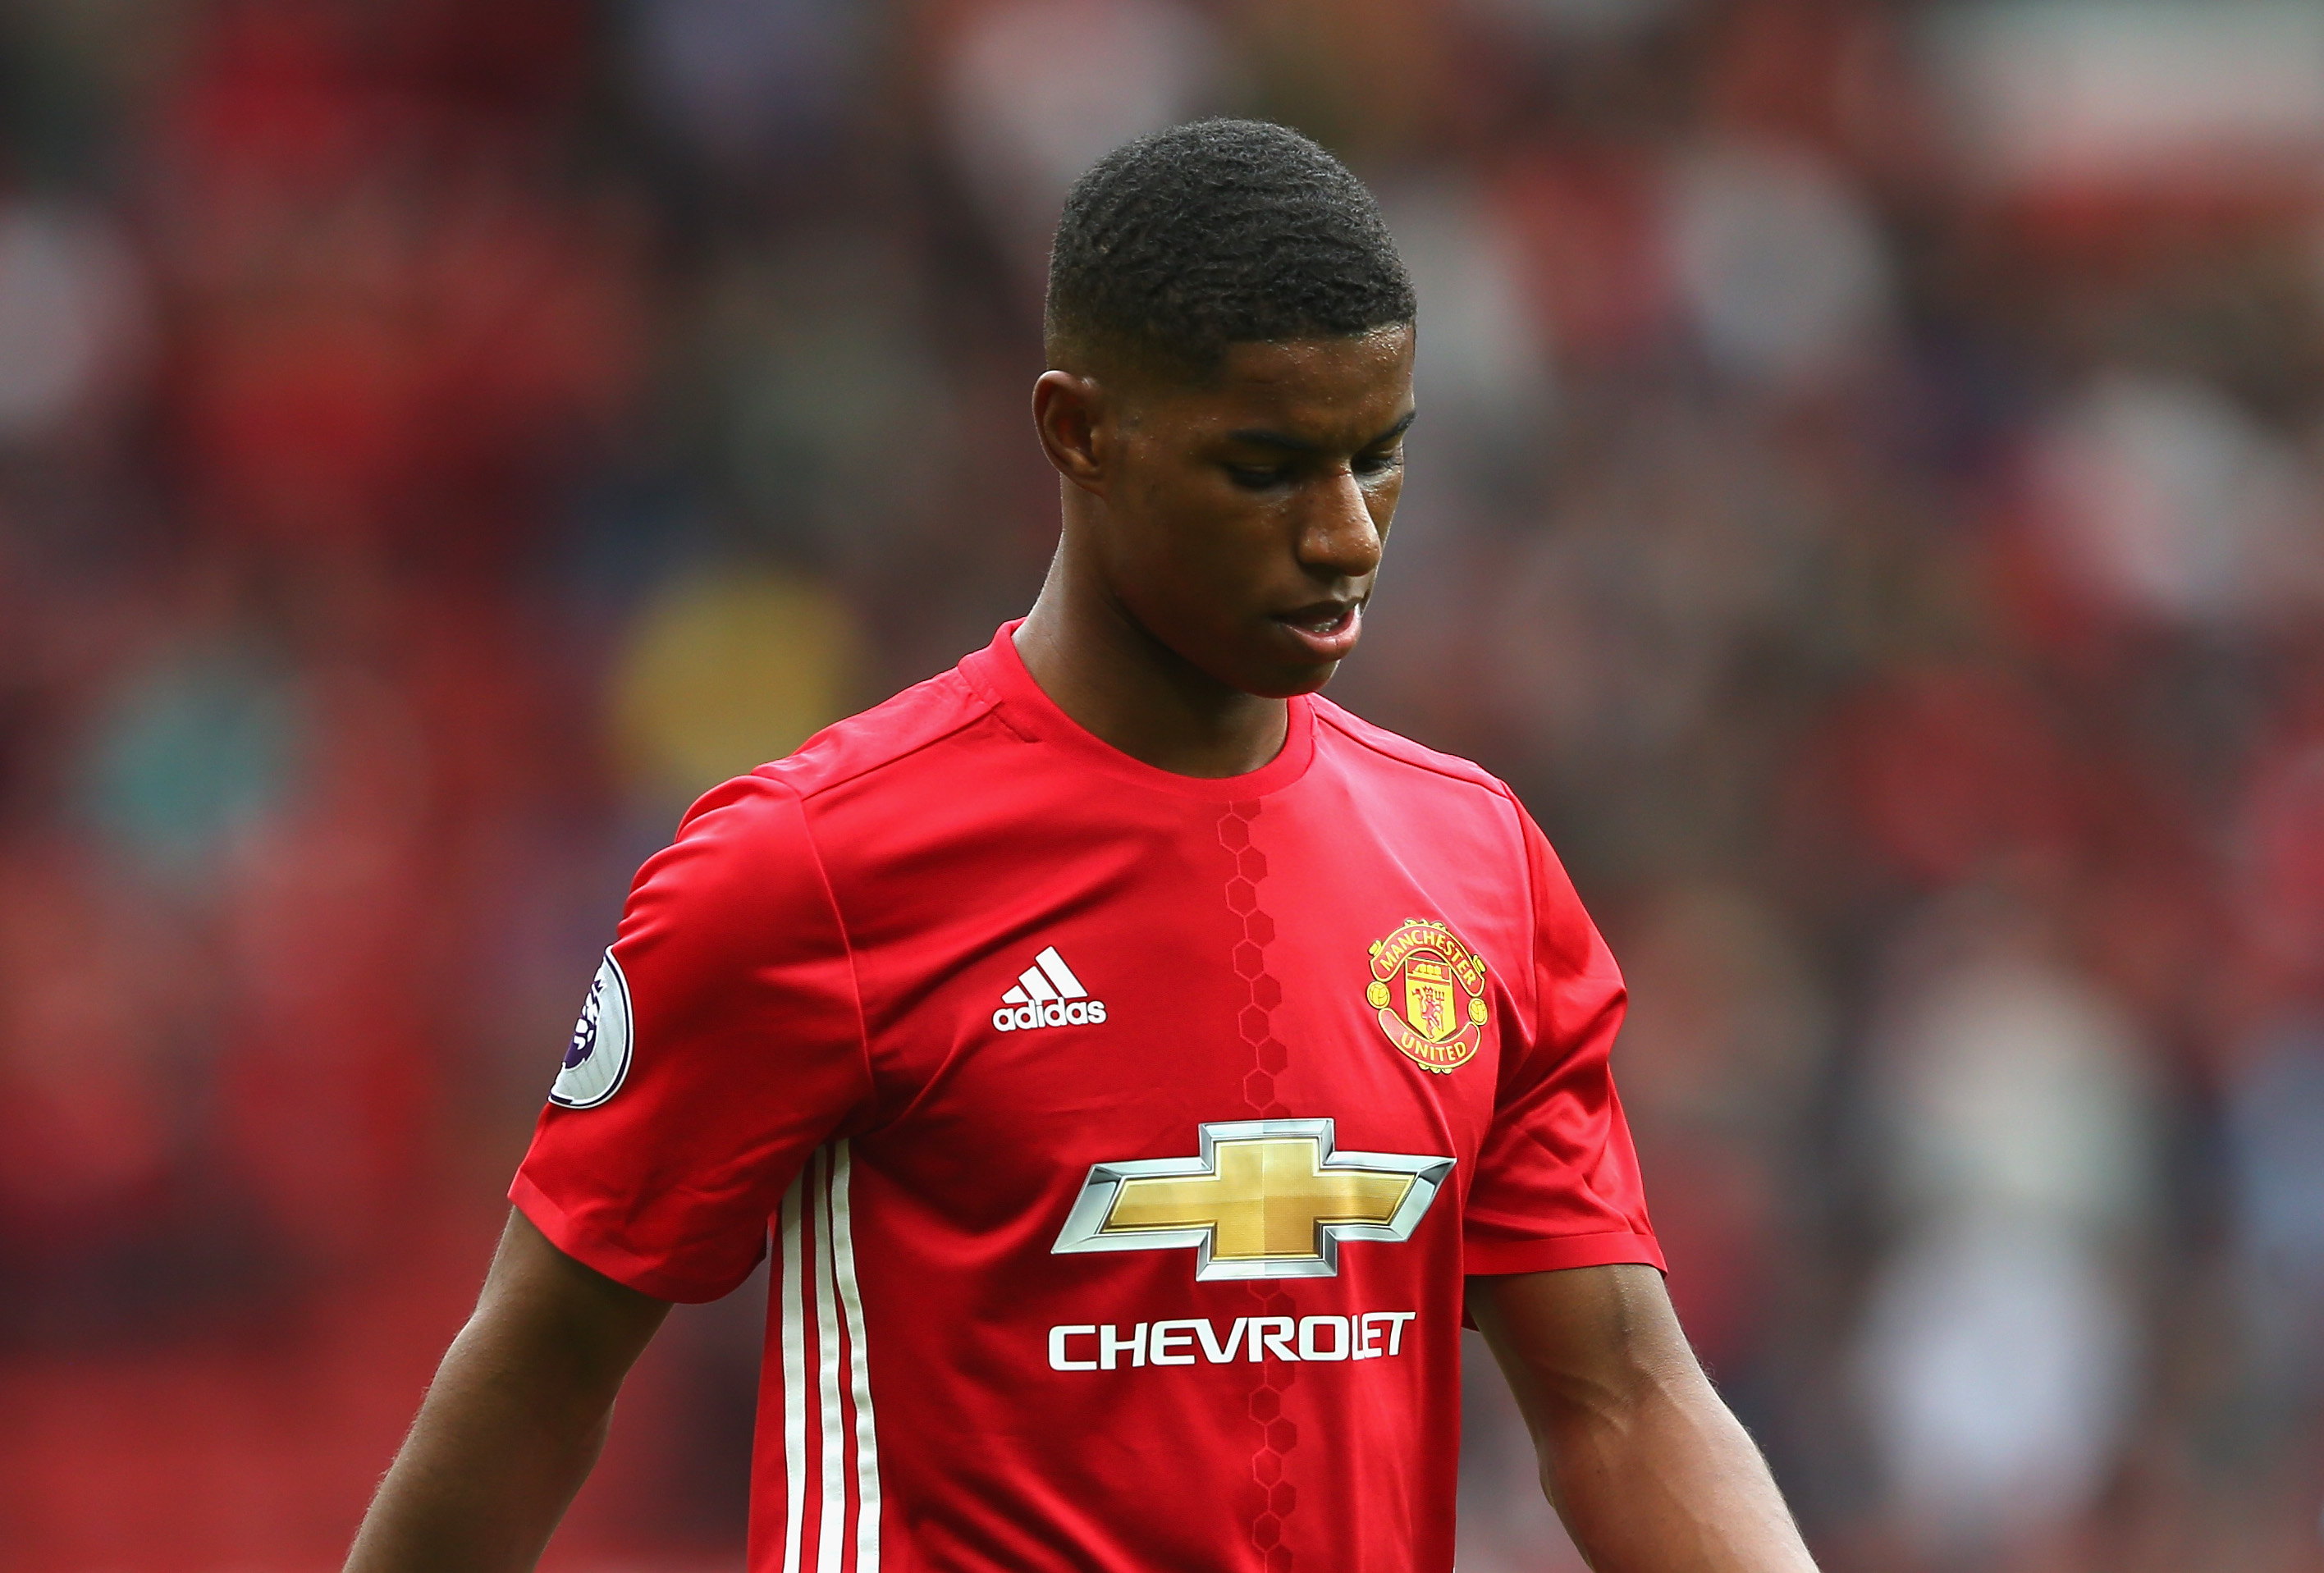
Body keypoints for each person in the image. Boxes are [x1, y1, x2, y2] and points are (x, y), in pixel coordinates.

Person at [344, 118, 1817, 1573]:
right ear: (1079, 430)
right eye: (1267, 467)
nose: (1348, 534)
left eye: (1379, 457)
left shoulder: (1477, 865)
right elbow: (541, 1372)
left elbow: (1624, 1398)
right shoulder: (811, 867)